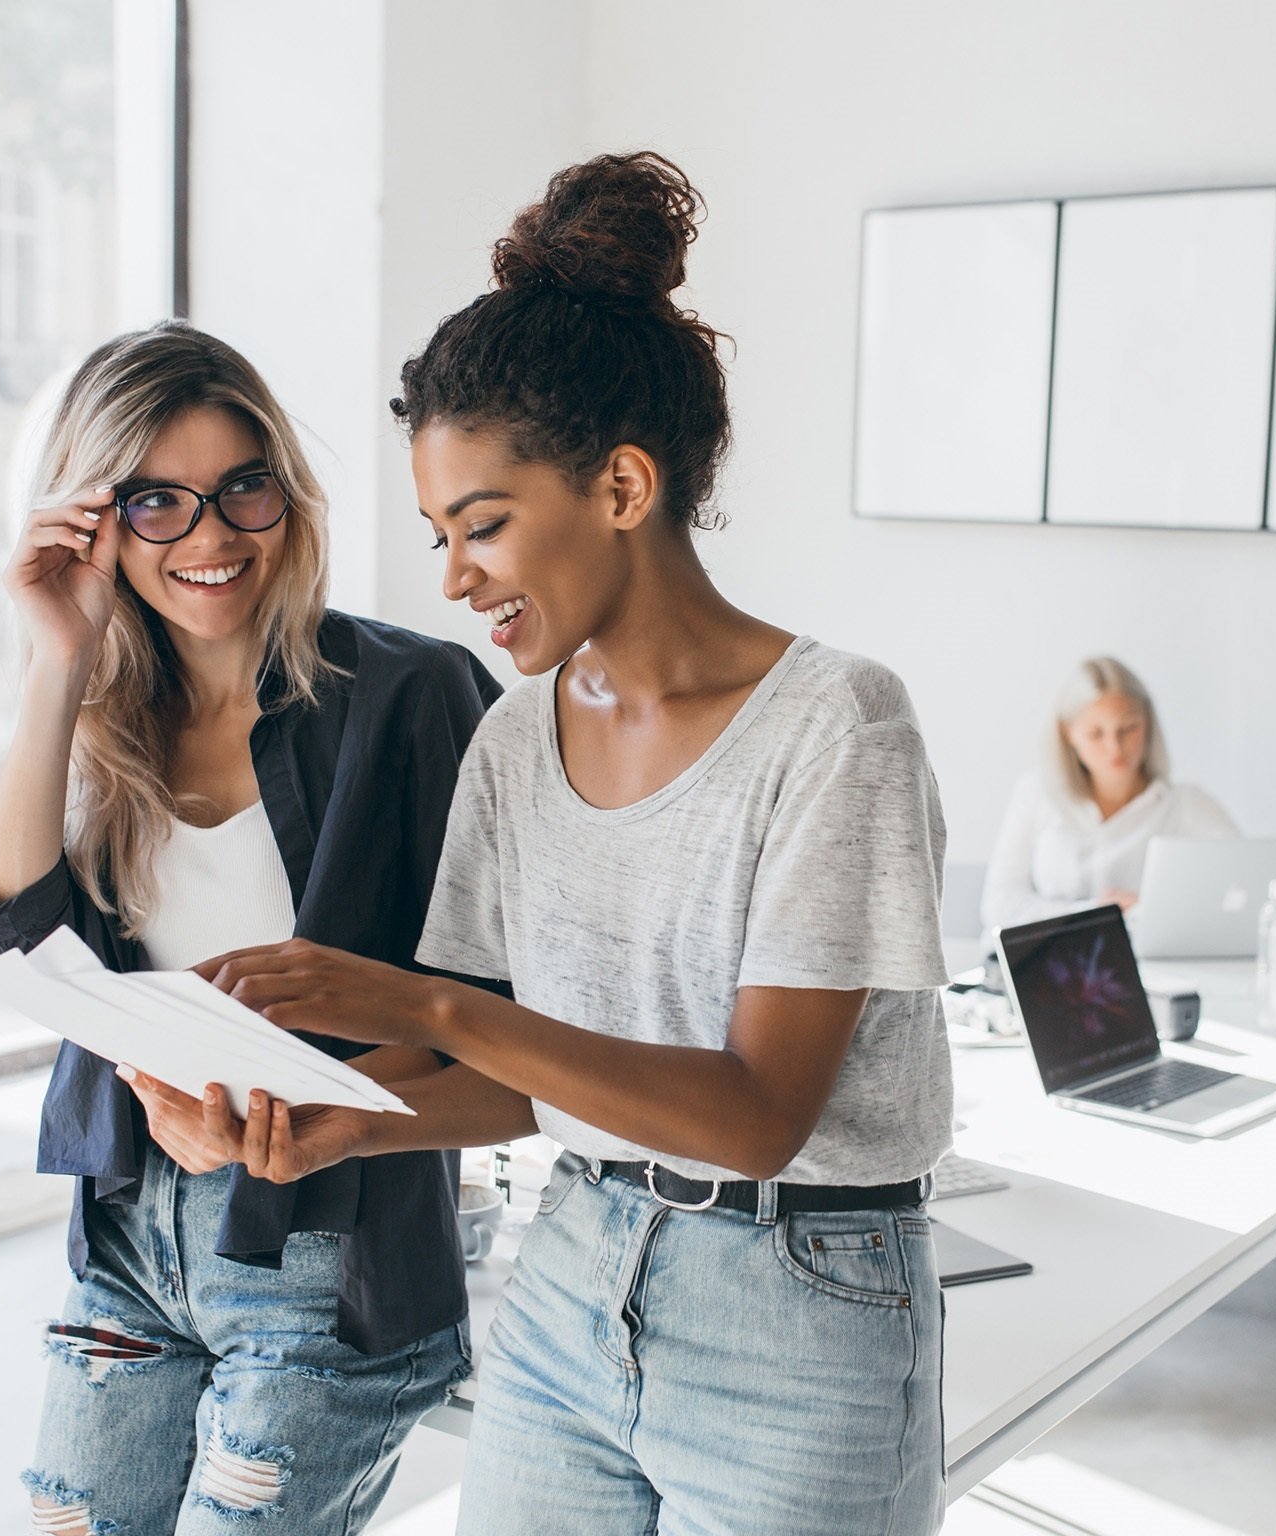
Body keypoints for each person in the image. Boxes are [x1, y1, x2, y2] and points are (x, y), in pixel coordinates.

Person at [193, 152, 954, 1535]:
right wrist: (331, 1123)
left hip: (803, 1308)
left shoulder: (837, 727)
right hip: (575, 1270)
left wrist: (419, 1006)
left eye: (483, 525)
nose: (454, 577)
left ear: (621, 486)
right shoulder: (512, 740)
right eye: (439, 534)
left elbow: (756, 1117)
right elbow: (527, 1087)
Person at [0, 320, 500, 1534]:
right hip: (129, 1249)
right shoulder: (97, 718)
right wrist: (57, 660)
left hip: (326, 1255)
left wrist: (302, 1116)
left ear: (287, 497)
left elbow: (492, 1007)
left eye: (243, 488)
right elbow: (7, 940)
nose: (210, 538)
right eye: (156, 503)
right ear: (95, 525)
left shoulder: (411, 694)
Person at [980, 656, 1238, 940]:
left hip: (1147, 961)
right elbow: (999, 906)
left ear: (1148, 724)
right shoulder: (1037, 794)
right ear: (1068, 733)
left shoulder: (1185, 805)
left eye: (1128, 729)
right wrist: (1097, 914)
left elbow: (1241, 891)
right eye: (1095, 734)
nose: (1115, 747)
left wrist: (1150, 909)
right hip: (1049, 958)